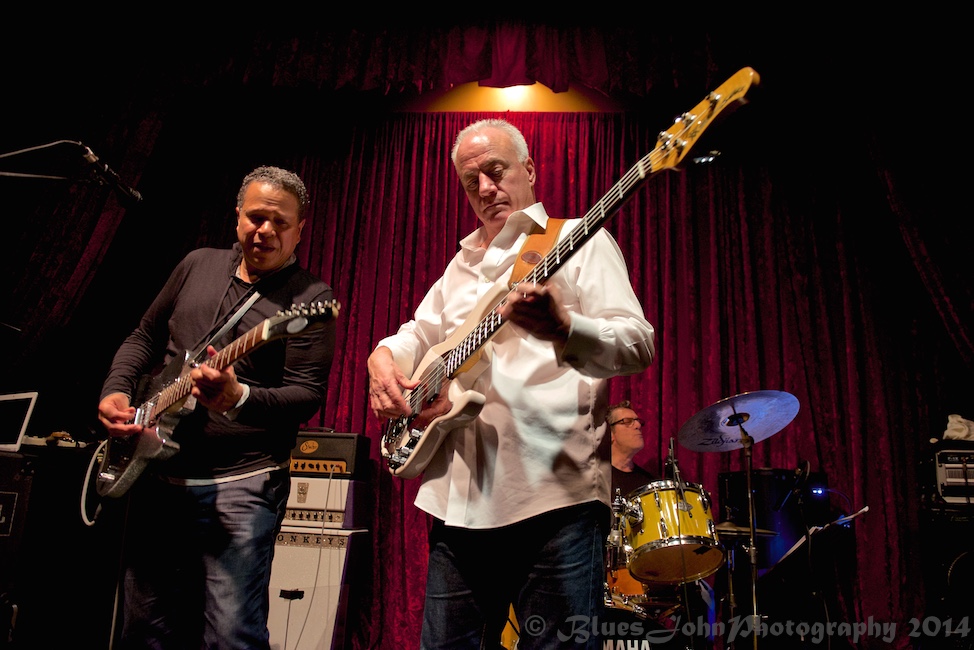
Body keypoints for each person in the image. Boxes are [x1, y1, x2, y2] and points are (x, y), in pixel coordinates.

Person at [367, 118, 656, 649]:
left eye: (495, 171)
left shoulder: (577, 241)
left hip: (554, 498)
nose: (483, 189)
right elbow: (416, 333)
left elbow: (638, 342)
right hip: (459, 503)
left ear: (529, 169)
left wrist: (566, 328)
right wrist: (382, 357)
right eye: (469, 180)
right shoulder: (461, 265)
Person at [97, 166, 336, 649]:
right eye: (255, 217)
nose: (264, 230)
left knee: (231, 634)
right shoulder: (196, 263)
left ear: (300, 230)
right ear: (236, 217)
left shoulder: (311, 300)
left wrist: (238, 398)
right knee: (144, 628)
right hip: (157, 477)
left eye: (279, 222)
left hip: (240, 485)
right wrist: (116, 389)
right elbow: (144, 336)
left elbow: (306, 396)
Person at [604, 400, 717, 649]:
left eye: (639, 421)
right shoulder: (597, 479)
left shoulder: (649, 485)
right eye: (627, 421)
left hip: (653, 577)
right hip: (610, 577)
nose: (638, 426)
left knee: (701, 594)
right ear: (608, 433)